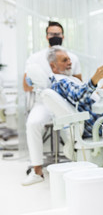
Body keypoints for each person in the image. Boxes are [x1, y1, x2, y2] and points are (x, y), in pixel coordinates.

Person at [22, 21, 82, 186]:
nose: (55, 37)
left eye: (58, 34)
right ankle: (37, 171)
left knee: (72, 129)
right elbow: (25, 85)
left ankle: (77, 166)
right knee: (33, 123)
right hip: (43, 102)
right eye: (52, 34)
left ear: (63, 36)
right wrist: (44, 87)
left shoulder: (72, 58)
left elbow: (79, 83)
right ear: (46, 36)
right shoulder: (35, 58)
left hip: (65, 101)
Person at [48, 46, 103, 138]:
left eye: (69, 59)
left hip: (100, 123)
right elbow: (78, 97)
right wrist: (94, 79)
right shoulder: (60, 82)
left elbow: (78, 98)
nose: (69, 62)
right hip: (98, 126)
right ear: (53, 66)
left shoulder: (66, 79)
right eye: (65, 60)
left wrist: (96, 93)